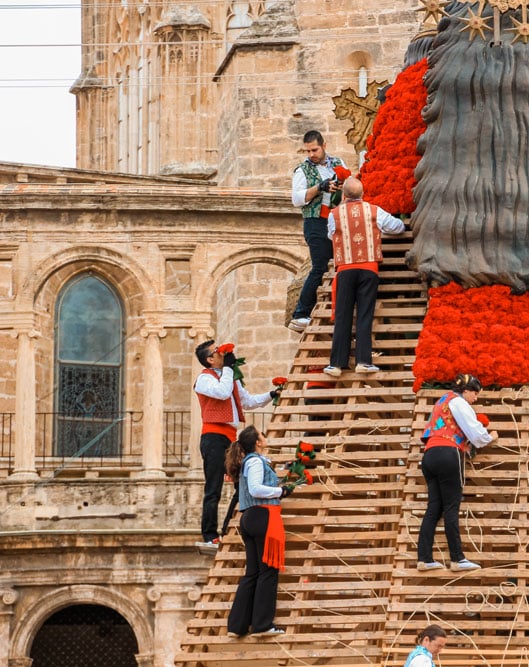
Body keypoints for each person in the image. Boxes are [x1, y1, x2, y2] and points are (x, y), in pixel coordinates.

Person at [194, 340, 280, 548]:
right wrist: (229, 369)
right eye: (218, 351)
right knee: (213, 487)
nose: (222, 353)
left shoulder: (229, 377)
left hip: (230, 437)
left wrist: (271, 395)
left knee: (241, 483)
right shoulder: (204, 379)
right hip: (213, 436)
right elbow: (222, 393)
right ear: (210, 359)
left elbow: (247, 402)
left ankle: (225, 529)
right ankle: (209, 535)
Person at [323, 176, 406, 377]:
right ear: (363, 194)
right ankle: (363, 361)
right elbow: (398, 227)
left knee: (343, 315)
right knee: (364, 315)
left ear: (344, 195)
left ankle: (336, 364)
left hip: (345, 269)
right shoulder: (374, 210)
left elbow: (330, 235)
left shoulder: (335, 214)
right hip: (369, 268)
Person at [416, 374, 498, 572]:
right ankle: (457, 558)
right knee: (452, 507)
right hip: (449, 454)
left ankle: (424, 558)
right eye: (475, 394)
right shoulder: (459, 403)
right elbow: (476, 435)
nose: (475, 399)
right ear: (466, 390)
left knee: (434, 508)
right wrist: (491, 437)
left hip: (429, 455)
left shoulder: (442, 401)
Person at [225, 426, 295, 638]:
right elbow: (256, 489)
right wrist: (280, 491)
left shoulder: (252, 462)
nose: (265, 437)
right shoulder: (255, 461)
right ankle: (262, 625)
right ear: (257, 441)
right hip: (262, 516)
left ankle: (237, 626)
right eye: (262, 435)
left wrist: (284, 475)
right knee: (268, 572)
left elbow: (260, 485)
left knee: (253, 573)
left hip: (250, 518)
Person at [289, 130, 347, 333]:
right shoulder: (302, 170)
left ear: (324, 145)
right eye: (308, 150)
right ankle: (300, 313)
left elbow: (347, 185)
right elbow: (297, 199)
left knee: (338, 265)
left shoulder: (338, 163)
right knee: (320, 265)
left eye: (315, 149)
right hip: (315, 221)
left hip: (336, 220)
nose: (311, 154)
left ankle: (332, 308)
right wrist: (319, 187)